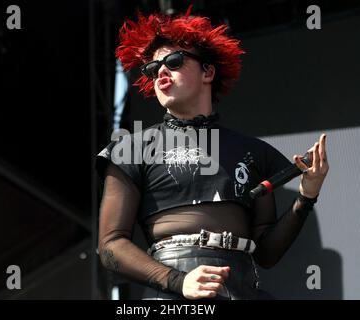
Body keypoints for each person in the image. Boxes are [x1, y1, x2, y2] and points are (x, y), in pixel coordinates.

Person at [96, 11, 329, 300]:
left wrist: (307, 197)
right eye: (153, 69)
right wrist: (178, 281)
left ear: (208, 72)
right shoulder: (129, 149)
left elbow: (267, 254)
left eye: (174, 62)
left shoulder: (255, 153)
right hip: (173, 293)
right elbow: (110, 246)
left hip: (243, 289)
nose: (161, 73)